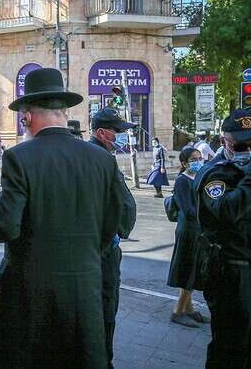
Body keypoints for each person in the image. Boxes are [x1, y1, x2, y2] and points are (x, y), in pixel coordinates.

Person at [0, 68, 123, 368]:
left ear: (27, 117)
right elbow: (121, 218)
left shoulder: (19, 157)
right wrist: (91, 252)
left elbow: (4, 225)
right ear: (63, 112)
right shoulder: (102, 159)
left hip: (30, 294)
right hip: (85, 289)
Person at [194, 109, 251, 369]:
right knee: (229, 348)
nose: (248, 151)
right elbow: (226, 211)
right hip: (231, 274)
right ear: (225, 142)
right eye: (240, 145)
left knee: (250, 343)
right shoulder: (216, 175)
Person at [89, 107, 137, 369]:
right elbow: (116, 204)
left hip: (100, 246)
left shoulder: (98, 154)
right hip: (103, 250)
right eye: (117, 131)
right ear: (101, 132)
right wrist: (112, 237)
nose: (121, 136)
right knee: (105, 310)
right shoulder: (100, 157)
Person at [167, 147, 209, 328]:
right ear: (184, 163)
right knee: (189, 271)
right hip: (189, 231)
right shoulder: (182, 181)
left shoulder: (198, 178)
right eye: (194, 159)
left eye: (200, 158)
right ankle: (177, 312)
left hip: (198, 231)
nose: (198, 161)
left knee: (190, 270)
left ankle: (189, 309)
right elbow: (189, 211)